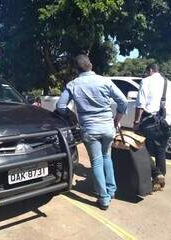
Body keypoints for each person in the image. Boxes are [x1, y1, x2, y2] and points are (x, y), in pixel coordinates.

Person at [56, 54, 128, 210]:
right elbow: (123, 101)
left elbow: (60, 106)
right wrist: (117, 118)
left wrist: (73, 117)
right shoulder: (104, 81)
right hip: (108, 127)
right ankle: (111, 190)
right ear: (91, 65)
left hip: (89, 129)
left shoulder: (73, 85)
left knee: (96, 161)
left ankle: (103, 198)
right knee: (107, 157)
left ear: (76, 69)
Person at [133, 63, 171, 191]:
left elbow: (140, 105)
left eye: (147, 72)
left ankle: (157, 174)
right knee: (161, 152)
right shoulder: (170, 84)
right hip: (165, 124)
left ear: (150, 70)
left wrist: (136, 122)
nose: (146, 74)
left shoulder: (146, 82)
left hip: (149, 122)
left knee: (141, 148)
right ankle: (159, 182)